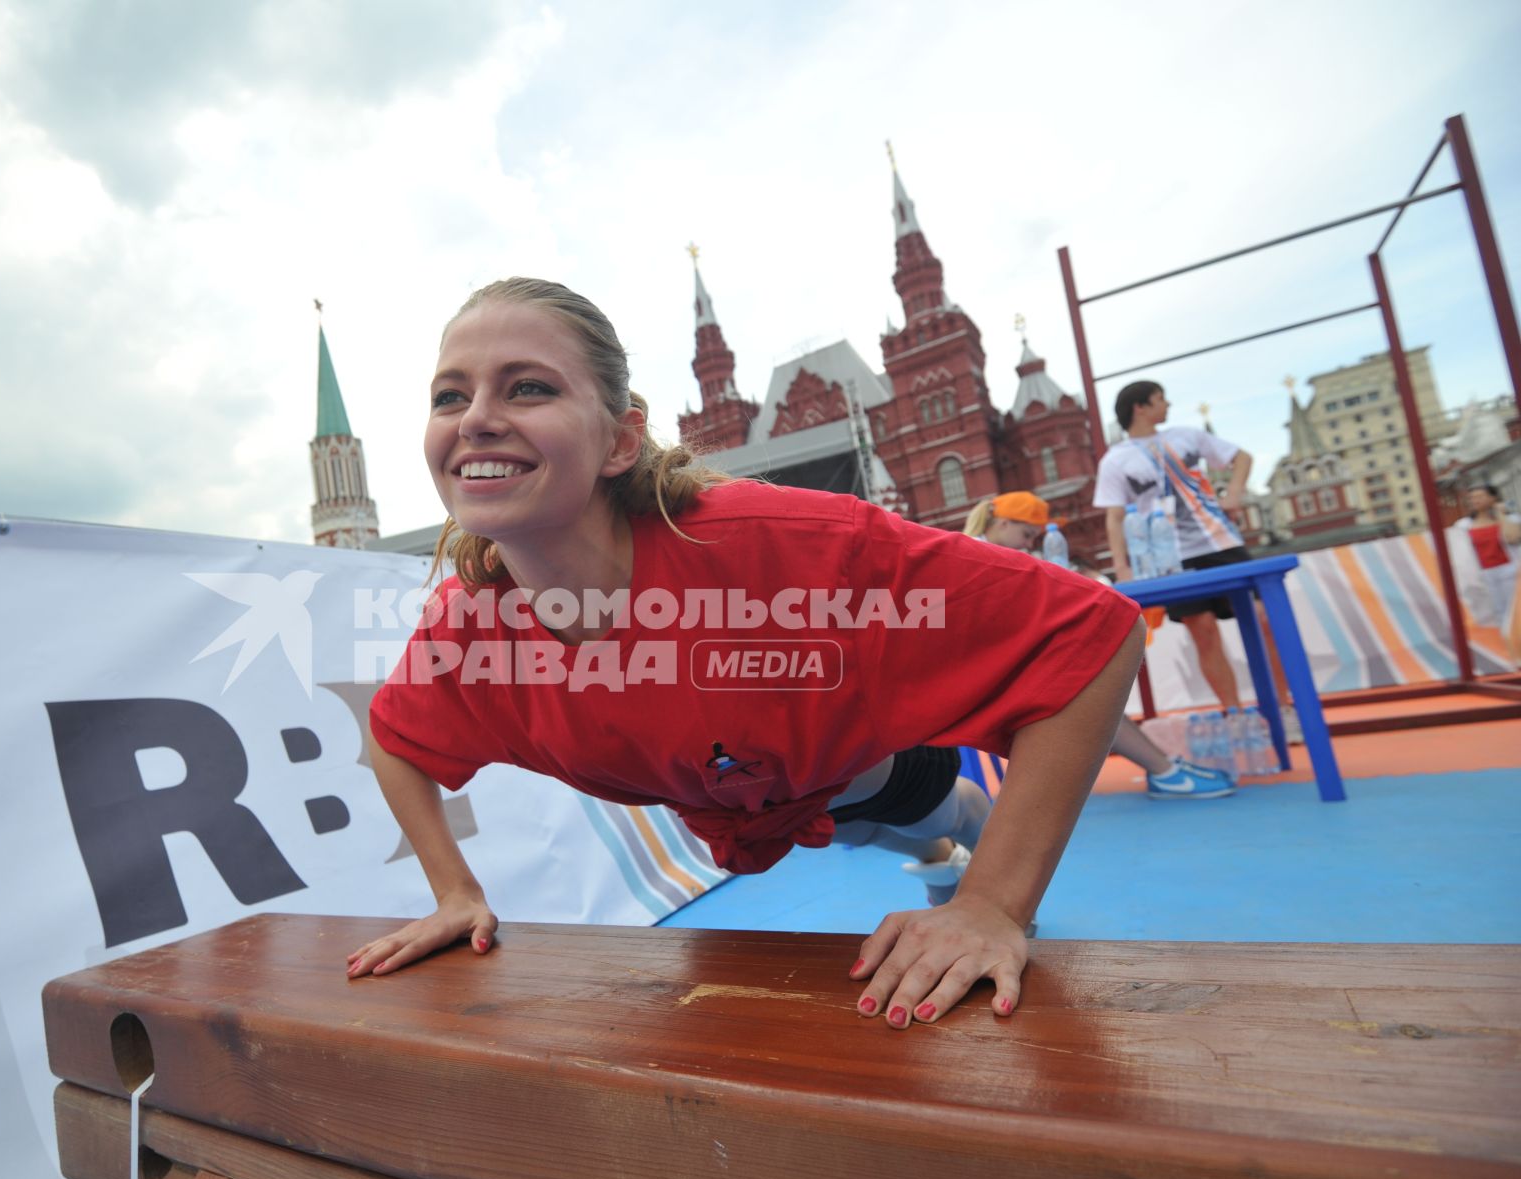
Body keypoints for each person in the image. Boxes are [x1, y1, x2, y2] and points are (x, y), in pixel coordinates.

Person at [350, 278, 1143, 1029]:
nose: (476, 417)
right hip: (725, 791)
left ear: (622, 438)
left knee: (918, 811)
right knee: (862, 823)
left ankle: (953, 838)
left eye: (528, 387)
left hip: (850, 763)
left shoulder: (792, 548)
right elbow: (395, 740)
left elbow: (1094, 631)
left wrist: (993, 903)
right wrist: (454, 891)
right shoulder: (468, 625)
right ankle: (935, 847)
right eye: (450, 394)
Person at [971, 494, 1232, 800]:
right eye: (1027, 535)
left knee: (1086, 683)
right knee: (1081, 691)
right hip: (983, 677)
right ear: (1002, 523)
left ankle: (1164, 770)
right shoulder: (975, 556)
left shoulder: (993, 557)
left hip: (999, 669)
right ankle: (1164, 772)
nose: (1029, 544)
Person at [1095, 382, 1302, 743]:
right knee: (1202, 630)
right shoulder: (1115, 459)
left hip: (1219, 541)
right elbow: (1115, 516)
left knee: (1264, 619)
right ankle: (1235, 714)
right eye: (1160, 399)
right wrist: (1123, 567)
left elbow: (1242, 457)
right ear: (1140, 407)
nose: (1168, 404)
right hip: (1169, 554)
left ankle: (1284, 708)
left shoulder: (1187, 436)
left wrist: (1234, 493)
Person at [1451, 485, 1520, 656]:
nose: (1475, 501)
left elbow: (1513, 538)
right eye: (1472, 498)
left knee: (1514, 613)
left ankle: (1515, 649)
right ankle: (1504, 651)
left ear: (1493, 498)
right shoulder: (1463, 526)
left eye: (1480, 496)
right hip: (1481, 575)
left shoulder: (1511, 519)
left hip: (1509, 572)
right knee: (1492, 614)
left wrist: (1501, 513)